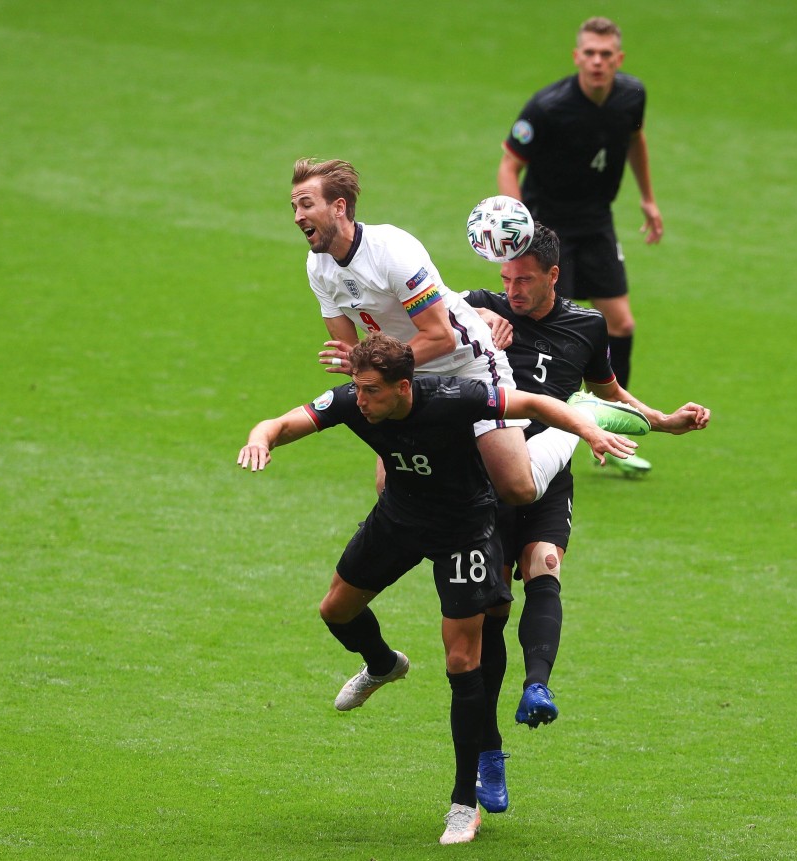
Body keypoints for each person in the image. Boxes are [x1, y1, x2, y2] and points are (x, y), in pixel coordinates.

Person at [236, 333, 641, 845]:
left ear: (404, 388)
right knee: (336, 610)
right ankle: (384, 664)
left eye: (371, 391)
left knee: (461, 663)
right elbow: (282, 422)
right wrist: (261, 438)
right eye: (357, 390)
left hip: (464, 534)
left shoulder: (455, 398)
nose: (360, 401)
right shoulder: (355, 402)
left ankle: (462, 804)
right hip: (398, 521)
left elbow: (533, 402)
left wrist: (590, 429)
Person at [461, 225, 711, 814]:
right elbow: (415, 332)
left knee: (545, 564)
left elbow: (608, 391)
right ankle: (489, 752)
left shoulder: (587, 326)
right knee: (491, 611)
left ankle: (537, 685)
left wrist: (664, 421)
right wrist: (472, 325)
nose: (512, 290)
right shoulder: (479, 308)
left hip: (548, 472)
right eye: (506, 279)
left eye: (523, 280)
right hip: (486, 477)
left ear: (553, 276)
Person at [291, 156, 649, 502]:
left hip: (468, 363)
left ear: (339, 207)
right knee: (393, 490)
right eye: (294, 207)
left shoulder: (390, 251)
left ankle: (578, 415)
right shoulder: (317, 267)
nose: (298, 216)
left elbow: (441, 336)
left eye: (306, 204)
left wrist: (377, 368)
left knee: (516, 487)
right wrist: (361, 366)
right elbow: (352, 348)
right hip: (406, 372)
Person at [497, 16, 662, 401]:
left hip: (596, 222)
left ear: (619, 58)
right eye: (590, 53)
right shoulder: (547, 106)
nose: (597, 61)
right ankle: (545, 415)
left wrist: (648, 198)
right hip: (549, 229)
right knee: (549, 326)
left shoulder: (632, 95)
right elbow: (509, 163)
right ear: (577, 56)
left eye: (606, 54)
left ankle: (616, 419)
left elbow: (635, 139)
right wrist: (522, 233)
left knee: (620, 323)